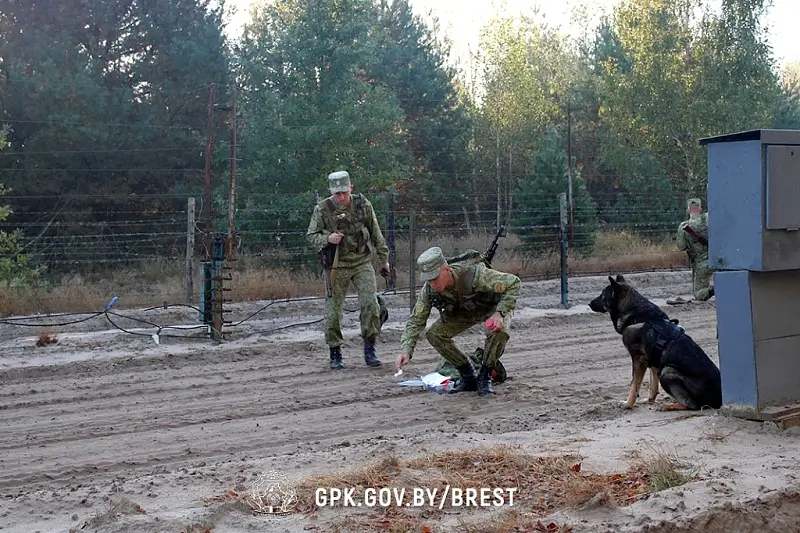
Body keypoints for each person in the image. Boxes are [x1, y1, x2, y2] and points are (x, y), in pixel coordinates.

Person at [395, 246, 520, 396]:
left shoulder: (473, 274)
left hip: (493, 307)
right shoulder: (428, 290)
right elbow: (416, 320)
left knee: (500, 332)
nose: (433, 283)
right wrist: (406, 350)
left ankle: (485, 375)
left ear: (446, 270)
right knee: (434, 334)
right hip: (465, 312)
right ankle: (468, 375)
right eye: (429, 279)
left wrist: (500, 313)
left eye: (435, 277)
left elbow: (513, 283)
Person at [306, 170, 390, 370]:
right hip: (337, 266)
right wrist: (327, 238)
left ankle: (370, 348)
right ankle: (335, 353)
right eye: (337, 193)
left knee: (371, 304)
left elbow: (376, 233)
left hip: (362, 262)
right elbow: (311, 235)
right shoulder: (322, 209)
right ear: (331, 191)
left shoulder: (363, 205)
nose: (341, 197)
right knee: (333, 312)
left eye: (344, 192)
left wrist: (384, 259)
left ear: (351, 188)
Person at [675, 197, 714, 302]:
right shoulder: (709, 218)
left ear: (688, 211)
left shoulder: (683, 226)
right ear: (700, 209)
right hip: (719, 260)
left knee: (698, 293)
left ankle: (713, 291)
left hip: (702, 264)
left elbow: (681, 247)